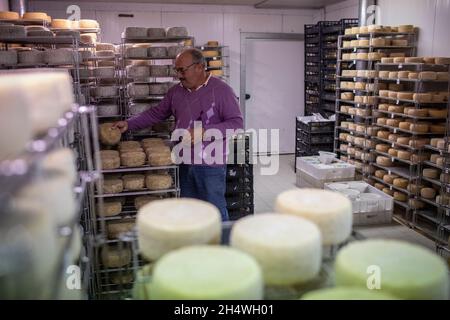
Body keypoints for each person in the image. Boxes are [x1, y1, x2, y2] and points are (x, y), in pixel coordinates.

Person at [113, 48, 243, 221]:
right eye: (177, 70)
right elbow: (156, 114)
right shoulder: (176, 92)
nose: (179, 75)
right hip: (184, 162)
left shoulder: (221, 91)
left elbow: (236, 124)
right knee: (190, 212)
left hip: (211, 164)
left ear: (199, 67)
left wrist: (205, 132)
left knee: (214, 212)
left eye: (182, 70)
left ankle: (222, 245)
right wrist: (128, 124)